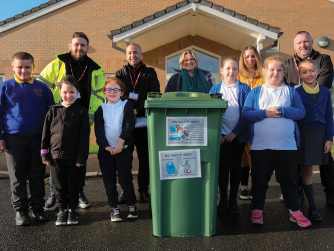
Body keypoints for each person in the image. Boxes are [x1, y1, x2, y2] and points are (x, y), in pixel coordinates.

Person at [38, 32, 105, 211]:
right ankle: (54, 194)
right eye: (76, 44)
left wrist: (90, 116)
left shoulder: (95, 68)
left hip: (81, 119)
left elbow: (99, 95)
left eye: (83, 45)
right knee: (56, 158)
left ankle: (78, 192)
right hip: (59, 119)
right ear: (70, 45)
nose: (79, 48)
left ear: (87, 48)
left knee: (79, 157)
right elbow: (42, 85)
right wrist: (50, 110)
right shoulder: (58, 63)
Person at [242, 56, 311, 227]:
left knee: (289, 181)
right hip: (260, 146)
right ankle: (257, 210)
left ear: (283, 72)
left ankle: (294, 211)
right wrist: (265, 113)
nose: (275, 73)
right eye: (272, 69)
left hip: (287, 146)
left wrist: (283, 111)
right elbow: (246, 114)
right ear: (264, 71)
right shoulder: (255, 92)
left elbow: (301, 113)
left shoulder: (290, 91)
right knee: (259, 181)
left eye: (279, 70)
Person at [0, 52, 54, 225]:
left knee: (38, 175)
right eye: (20, 67)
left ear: (33, 67)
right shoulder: (5, 87)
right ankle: (21, 211)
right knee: (17, 177)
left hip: (39, 139)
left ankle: (37, 208)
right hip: (13, 140)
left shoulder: (42, 88)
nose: (24, 70)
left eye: (27, 67)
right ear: (13, 67)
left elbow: (51, 113)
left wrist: (51, 138)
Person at [283, 31, 334, 210]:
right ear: (294, 45)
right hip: (299, 125)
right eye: (299, 43)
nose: (303, 45)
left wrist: (302, 88)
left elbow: (324, 82)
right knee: (299, 163)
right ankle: (297, 194)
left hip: (318, 123)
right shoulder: (287, 63)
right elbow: (284, 90)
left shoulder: (324, 59)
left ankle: (331, 194)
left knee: (327, 163)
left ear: (311, 42)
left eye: (306, 42)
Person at [41, 75, 90, 226]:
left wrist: (82, 158)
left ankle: (73, 211)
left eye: (72, 92)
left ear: (77, 92)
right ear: (60, 92)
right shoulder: (53, 111)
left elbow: (84, 138)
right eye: (65, 92)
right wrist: (44, 154)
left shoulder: (81, 112)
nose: (68, 95)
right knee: (59, 187)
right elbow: (45, 134)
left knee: (73, 186)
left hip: (75, 158)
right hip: (56, 157)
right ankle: (62, 211)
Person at [115, 43, 160, 203]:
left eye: (135, 52)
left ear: (141, 55)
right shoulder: (120, 73)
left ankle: (143, 190)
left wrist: (137, 110)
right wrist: (129, 111)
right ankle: (126, 191)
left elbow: (154, 95)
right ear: (126, 55)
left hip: (144, 122)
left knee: (145, 158)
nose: (132, 55)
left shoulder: (150, 73)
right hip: (126, 123)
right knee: (124, 159)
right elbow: (116, 95)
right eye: (129, 53)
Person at [209, 57, 250, 214]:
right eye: (228, 68)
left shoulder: (245, 89)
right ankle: (223, 201)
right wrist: (218, 133)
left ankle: (233, 201)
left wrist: (235, 133)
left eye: (234, 69)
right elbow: (210, 113)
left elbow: (246, 114)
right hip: (221, 137)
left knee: (235, 169)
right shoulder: (214, 89)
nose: (231, 72)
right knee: (222, 169)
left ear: (238, 71)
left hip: (237, 137)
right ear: (222, 70)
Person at [94, 77, 137, 221]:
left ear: (121, 92)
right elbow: (98, 131)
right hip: (106, 152)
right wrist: (106, 147)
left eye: (116, 89)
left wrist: (119, 144)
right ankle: (115, 208)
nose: (112, 92)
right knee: (109, 181)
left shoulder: (127, 105)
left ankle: (131, 206)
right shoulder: (101, 109)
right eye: (108, 90)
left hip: (122, 149)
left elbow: (129, 125)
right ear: (104, 92)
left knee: (125, 179)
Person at [295, 59, 333, 222]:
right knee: (307, 170)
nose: (308, 74)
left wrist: (330, 138)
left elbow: (329, 117)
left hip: (321, 135)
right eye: (304, 72)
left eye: (311, 71)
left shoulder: (326, 91)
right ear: (299, 75)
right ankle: (313, 207)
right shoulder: (296, 92)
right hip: (304, 134)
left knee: (324, 168)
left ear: (318, 71)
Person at [237, 46, 265, 200]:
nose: (250, 59)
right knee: (243, 156)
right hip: (242, 121)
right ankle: (244, 187)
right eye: (247, 56)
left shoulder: (264, 76)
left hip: (259, 121)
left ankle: (255, 187)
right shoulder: (238, 76)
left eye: (253, 56)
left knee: (256, 155)